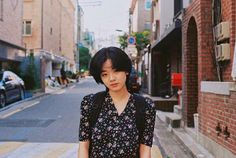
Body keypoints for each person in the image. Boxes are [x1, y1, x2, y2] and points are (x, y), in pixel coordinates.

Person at [78, 47, 156, 158]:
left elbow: (145, 149)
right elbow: (83, 145)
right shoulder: (90, 103)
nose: (111, 78)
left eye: (116, 71)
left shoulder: (146, 106)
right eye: (104, 74)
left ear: (126, 71)